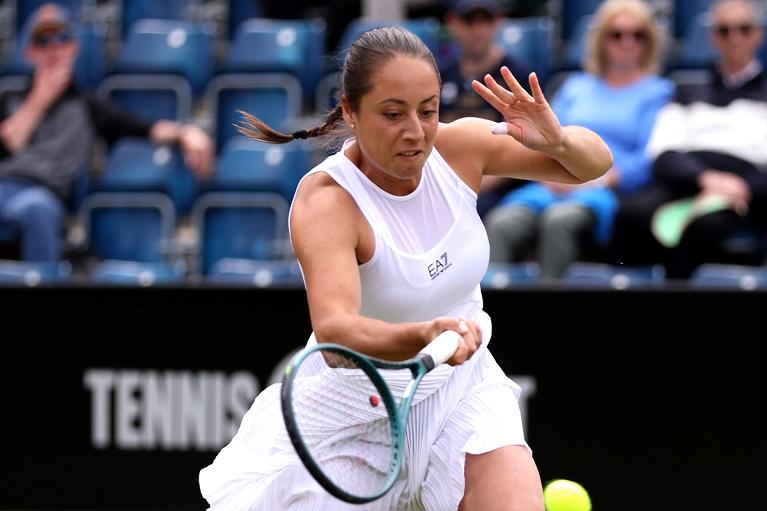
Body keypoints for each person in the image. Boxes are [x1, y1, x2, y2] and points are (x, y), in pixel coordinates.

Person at [199, 25, 611, 511]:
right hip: (356, 404)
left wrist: (557, 140)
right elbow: (335, 334)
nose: (415, 131)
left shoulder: (460, 148)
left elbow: (592, 166)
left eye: (428, 110)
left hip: (461, 386)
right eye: (393, 114)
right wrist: (426, 334)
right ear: (350, 110)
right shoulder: (327, 201)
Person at [0, 3, 214, 263]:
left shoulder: (88, 105)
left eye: (63, 39)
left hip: (45, 197)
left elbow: (141, 127)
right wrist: (39, 99)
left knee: (37, 208)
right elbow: (11, 139)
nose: (54, 48)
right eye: (44, 41)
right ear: (30, 52)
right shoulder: (9, 98)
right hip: (5, 187)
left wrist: (187, 132)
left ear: (74, 48)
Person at [483, 0, 672, 280]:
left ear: (649, 42)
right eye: (616, 34)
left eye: (637, 34)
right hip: (551, 183)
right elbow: (546, 137)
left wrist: (597, 178)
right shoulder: (575, 87)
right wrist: (548, 174)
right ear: (601, 40)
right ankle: (486, 316)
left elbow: (650, 158)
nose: (627, 42)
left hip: (605, 190)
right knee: (501, 223)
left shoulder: (658, 91)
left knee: (559, 222)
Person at [611, 0, 767, 279]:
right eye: (724, 30)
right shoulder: (686, 90)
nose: (734, 37)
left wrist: (741, 186)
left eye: (743, 28)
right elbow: (664, 152)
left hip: (743, 193)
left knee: (705, 226)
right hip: (686, 183)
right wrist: (705, 179)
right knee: (630, 214)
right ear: (713, 37)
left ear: (758, 34)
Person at [439, 0, 533, 217]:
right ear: (452, 22)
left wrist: (468, 187)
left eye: (486, 20)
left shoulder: (517, 76)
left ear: (499, 21)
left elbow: (526, 145)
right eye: (469, 20)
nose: (478, 30)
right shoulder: (440, 75)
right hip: (444, 180)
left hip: (498, 187)